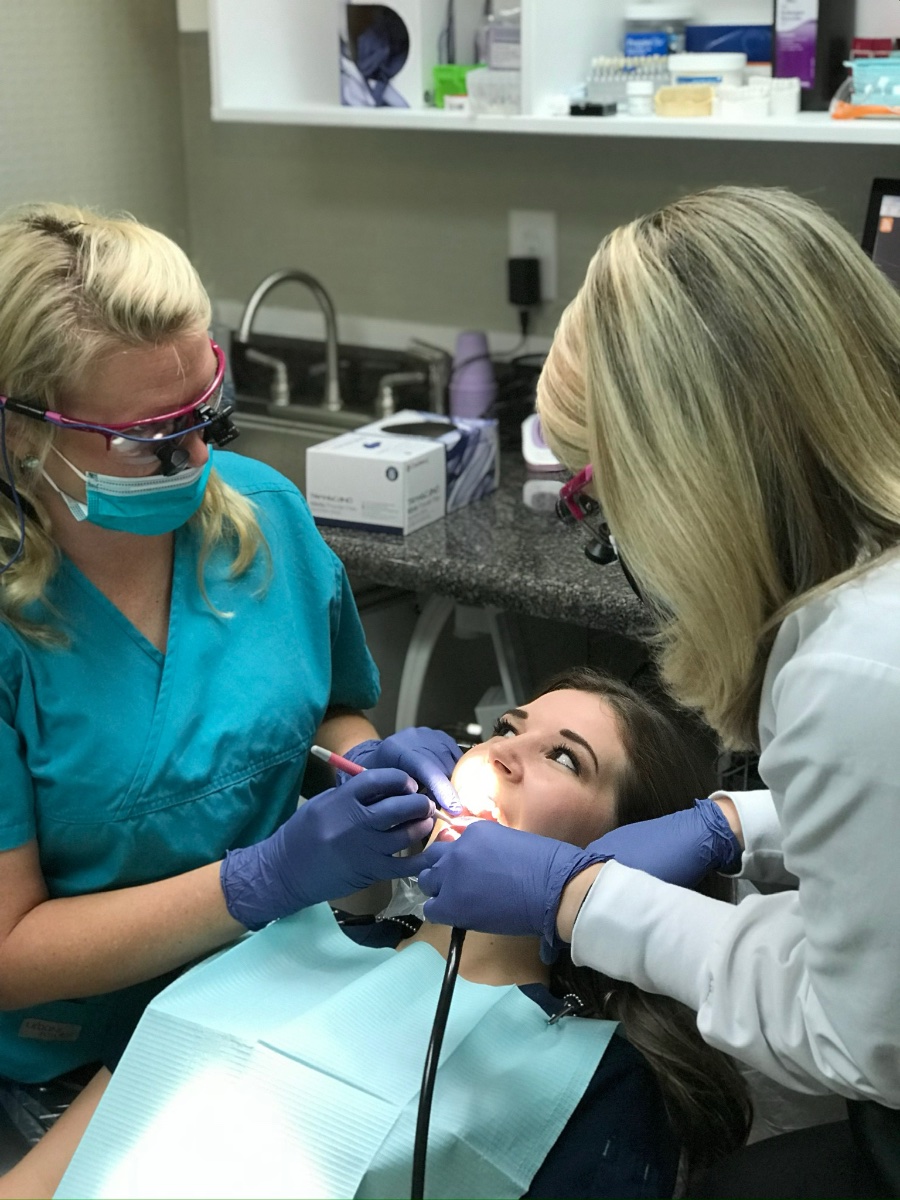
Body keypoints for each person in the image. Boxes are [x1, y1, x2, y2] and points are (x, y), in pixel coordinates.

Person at [416, 186, 900, 1195]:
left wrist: (583, 898)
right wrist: (736, 824)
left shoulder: (855, 666)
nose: (503, 749)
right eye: (509, 725)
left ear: (687, 476)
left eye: (601, 494)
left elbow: (867, 1034)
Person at [0, 203, 458, 1109]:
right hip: (79, 1064)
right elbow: (10, 956)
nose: (199, 456)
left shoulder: (263, 515)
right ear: (23, 431)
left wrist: (363, 766)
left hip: (278, 1004)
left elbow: (329, 708)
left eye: (206, 411)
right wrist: (262, 878)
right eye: (151, 439)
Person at [0, 668, 751, 1199]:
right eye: (504, 728)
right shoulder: (294, 939)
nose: (502, 754)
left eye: (563, 758)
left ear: (626, 849)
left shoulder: (595, 1082)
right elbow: (47, 1174)